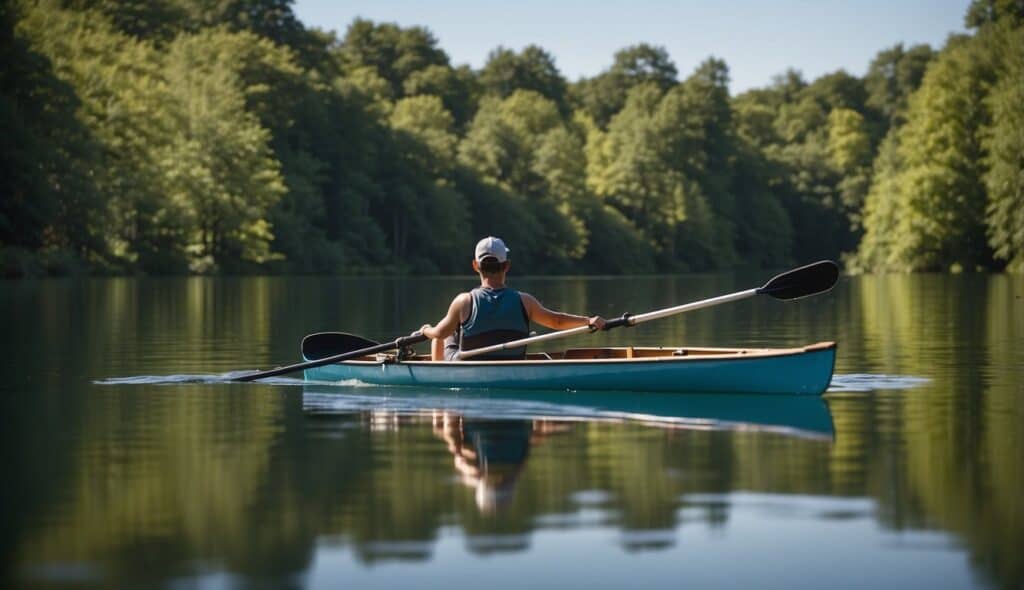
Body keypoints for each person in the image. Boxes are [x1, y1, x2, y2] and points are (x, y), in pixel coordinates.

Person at [419, 236, 606, 361]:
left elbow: (438, 334)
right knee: (450, 327)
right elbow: (556, 321)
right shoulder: (525, 301)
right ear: (507, 265)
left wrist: (426, 330)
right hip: (510, 363)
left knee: (446, 330)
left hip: (467, 367)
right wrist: (588, 320)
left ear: (476, 266)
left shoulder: (463, 301)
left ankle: (439, 392)